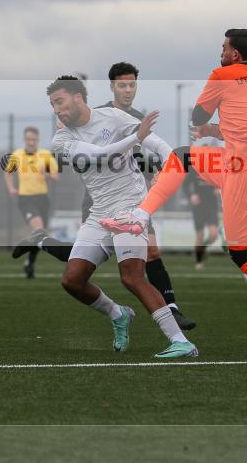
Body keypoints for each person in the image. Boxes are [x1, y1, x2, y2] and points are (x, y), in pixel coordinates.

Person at [101, 29, 247, 350]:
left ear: (235, 55)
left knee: (242, 253)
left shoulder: (223, 75)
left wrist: (202, 122)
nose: (221, 52)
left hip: (243, 167)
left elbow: (199, 114)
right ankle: (140, 215)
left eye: (224, 48)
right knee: (183, 156)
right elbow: (245, 128)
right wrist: (210, 129)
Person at [14, 62, 197, 330]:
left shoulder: (131, 116)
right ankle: (43, 241)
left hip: (132, 197)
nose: (127, 89)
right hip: (97, 200)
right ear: (111, 87)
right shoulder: (85, 118)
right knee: (79, 264)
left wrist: (163, 170)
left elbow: (151, 148)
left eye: (132, 84)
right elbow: (100, 152)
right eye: (122, 84)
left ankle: (172, 311)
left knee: (149, 254)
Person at [4, 127, 58, 278]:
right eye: (28, 139)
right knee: (39, 229)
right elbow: (8, 173)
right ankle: (26, 254)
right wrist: (11, 188)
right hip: (25, 198)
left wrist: (47, 173)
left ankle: (29, 262)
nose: (31, 142)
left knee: (39, 235)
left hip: (42, 198)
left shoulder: (45, 155)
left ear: (38, 140)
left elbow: (55, 176)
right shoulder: (17, 155)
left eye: (34, 139)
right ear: (24, 139)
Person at [183, 172, 219, 270]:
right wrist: (191, 195)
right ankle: (199, 262)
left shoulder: (215, 169)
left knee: (213, 235)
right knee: (200, 235)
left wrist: (219, 189)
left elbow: (225, 182)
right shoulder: (194, 169)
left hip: (212, 206)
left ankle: (203, 248)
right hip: (198, 206)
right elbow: (185, 184)